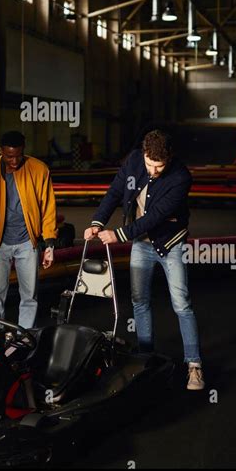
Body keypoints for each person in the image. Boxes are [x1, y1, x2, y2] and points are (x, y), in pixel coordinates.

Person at [84, 129, 204, 391]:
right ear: (144, 155)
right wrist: (97, 221)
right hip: (141, 243)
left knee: (181, 303)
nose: (153, 171)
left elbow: (156, 216)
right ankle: (145, 358)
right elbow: (116, 190)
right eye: (150, 164)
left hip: (170, 243)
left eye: (159, 166)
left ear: (169, 158)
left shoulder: (181, 177)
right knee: (139, 301)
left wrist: (119, 234)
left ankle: (194, 365)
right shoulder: (135, 160)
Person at [0, 130, 58, 329]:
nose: (15, 161)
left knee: (30, 295)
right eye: (9, 156)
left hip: (28, 243)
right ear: (0, 151)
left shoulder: (39, 170)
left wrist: (50, 244)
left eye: (18, 155)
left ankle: (26, 337)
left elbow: (48, 209)